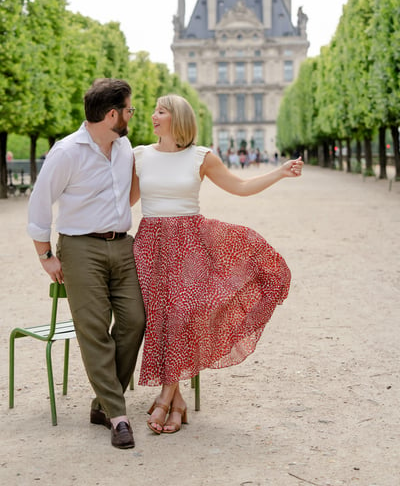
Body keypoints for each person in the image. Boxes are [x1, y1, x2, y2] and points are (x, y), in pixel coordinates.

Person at [130, 94, 303, 435]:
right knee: (161, 319)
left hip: (190, 242)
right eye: (154, 111)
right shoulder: (139, 155)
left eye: (161, 111)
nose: (153, 116)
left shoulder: (201, 156)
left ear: (177, 117)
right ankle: (177, 402)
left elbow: (240, 186)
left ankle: (166, 397)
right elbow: (126, 201)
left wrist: (279, 173)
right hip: (150, 245)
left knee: (183, 312)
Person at [27, 78, 145, 449]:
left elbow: (127, 195)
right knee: (94, 330)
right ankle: (119, 415)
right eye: (128, 109)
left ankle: (101, 404)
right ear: (112, 114)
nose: (131, 114)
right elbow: (39, 204)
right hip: (80, 249)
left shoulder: (125, 147)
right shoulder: (66, 152)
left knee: (135, 320)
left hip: (122, 244)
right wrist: (46, 255)